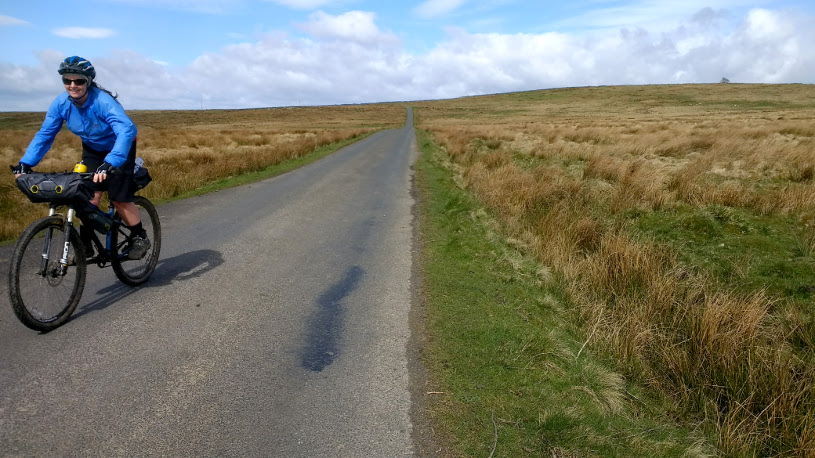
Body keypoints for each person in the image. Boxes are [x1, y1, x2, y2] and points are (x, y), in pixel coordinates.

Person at [11, 56, 150, 260]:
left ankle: (140, 237)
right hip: (92, 148)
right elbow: (45, 134)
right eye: (67, 81)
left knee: (118, 197)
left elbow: (126, 129)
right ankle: (85, 245)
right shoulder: (61, 104)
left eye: (79, 81)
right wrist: (26, 163)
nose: (72, 85)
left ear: (89, 81)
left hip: (120, 146)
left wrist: (111, 163)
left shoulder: (102, 101)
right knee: (87, 197)